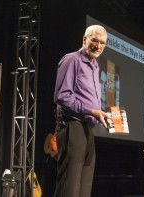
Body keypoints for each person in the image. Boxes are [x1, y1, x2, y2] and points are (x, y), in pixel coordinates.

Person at [53, 25, 109, 197]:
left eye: (102, 43)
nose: (98, 46)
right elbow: (62, 96)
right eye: (94, 40)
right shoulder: (72, 60)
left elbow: (88, 98)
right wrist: (91, 111)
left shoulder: (95, 66)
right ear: (84, 40)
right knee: (69, 187)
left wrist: (101, 113)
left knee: (84, 187)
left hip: (87, 129)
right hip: (72, 126)